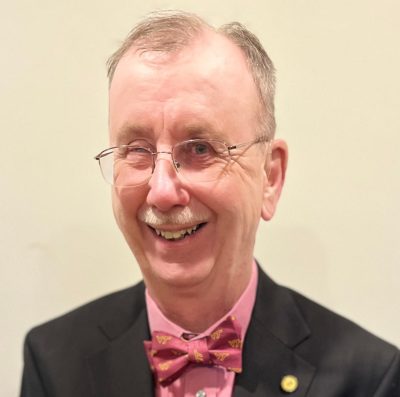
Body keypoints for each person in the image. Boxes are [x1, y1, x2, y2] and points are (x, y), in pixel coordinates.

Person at [20, 11, 399, 397]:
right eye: (136, 150)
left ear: (269, 177)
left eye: (200, 148)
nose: (162, 191)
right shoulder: (54, 363)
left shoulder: (369, 380)